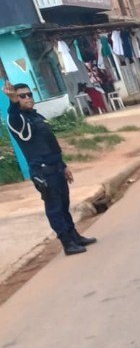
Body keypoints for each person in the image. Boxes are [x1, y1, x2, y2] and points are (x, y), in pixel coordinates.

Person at [3, 81, 96, 255]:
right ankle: (67, 243)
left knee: (64, 205)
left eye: (29, 94)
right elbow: (14, 116)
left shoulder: (36, 117)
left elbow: (51, 145)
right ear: (16, 98)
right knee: (54, 208)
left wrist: (63, 165)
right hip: (43, 172)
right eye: (22, 96)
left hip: (56, 168)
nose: (28, 98)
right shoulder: (17, 119)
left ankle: (75, 237)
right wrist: (13, 102)